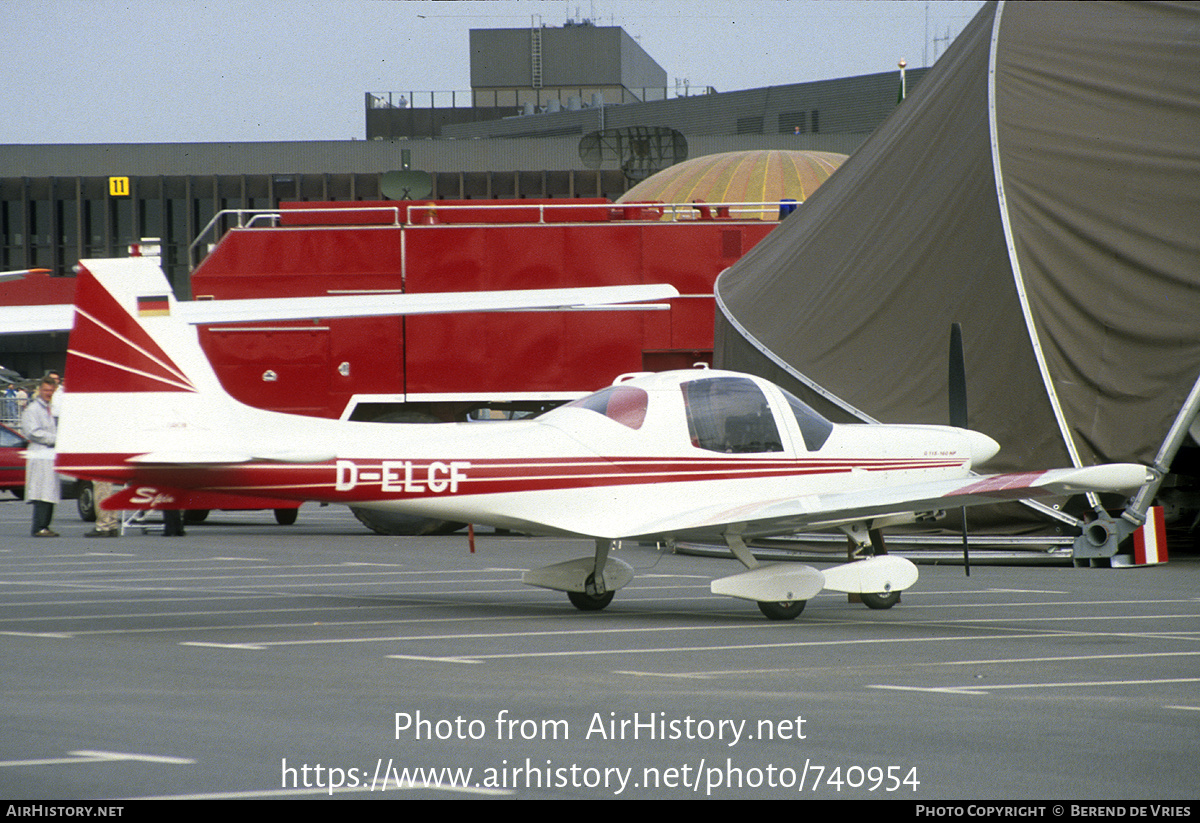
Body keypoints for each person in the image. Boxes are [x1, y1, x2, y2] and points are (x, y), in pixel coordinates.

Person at [20, 377, 59, 537]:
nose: (48, 393)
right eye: (46, 390)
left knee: (49, 490)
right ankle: (39, 526)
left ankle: (45, 525)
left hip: (50, 454)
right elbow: (33, 432)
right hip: (40, 452)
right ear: (39, 390)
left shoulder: (51, 409)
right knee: (41, 490)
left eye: (51, 390)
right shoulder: (33, 409)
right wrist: (55, 438)